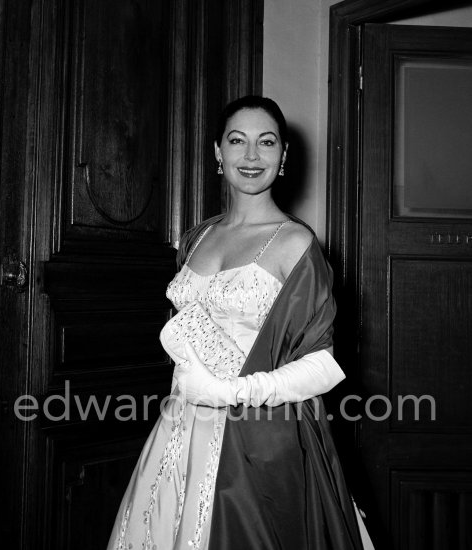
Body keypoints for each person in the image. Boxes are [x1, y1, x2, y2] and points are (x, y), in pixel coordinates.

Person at [107, 96, 369, 549]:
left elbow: (321, 365)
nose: (251, 156)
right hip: (178, 429)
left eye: (266, 143)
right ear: (217, 153)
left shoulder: (295, 243)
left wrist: (230, 393)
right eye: (237, 141)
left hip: (258, 436)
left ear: (283, 156)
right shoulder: (198, 236)